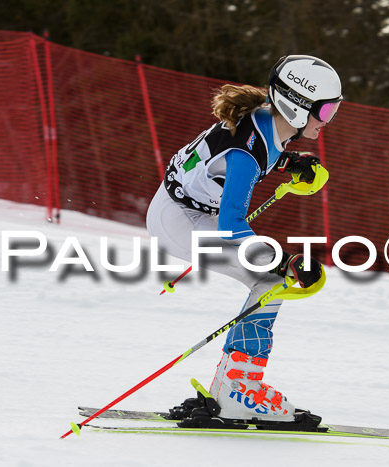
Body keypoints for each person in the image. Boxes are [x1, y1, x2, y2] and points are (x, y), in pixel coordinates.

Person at [146, 55, 342, 422]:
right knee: (270, 278)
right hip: (180, 221)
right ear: (296, 106)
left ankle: (233, 386)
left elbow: (247, 150)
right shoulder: (247, 153)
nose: (328, 120)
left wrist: (290, 163)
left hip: (185, 209)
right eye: (326, 110)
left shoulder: (266, 121)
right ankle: (238, 389)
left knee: (270, 279)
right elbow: (231, 224)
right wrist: (285, 260)